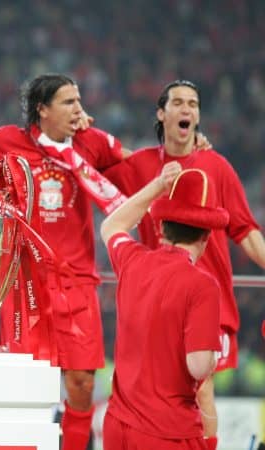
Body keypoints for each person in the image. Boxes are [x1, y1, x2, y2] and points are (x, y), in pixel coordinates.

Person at [104, 79, 265, 449]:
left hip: (208, 300)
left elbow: (245, 230)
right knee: (166, 386)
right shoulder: (141, 163)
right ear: (161, 113)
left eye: (193, 103)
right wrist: (82, 125)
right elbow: (95, 168)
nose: (187, 109)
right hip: (159, 301)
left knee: (201, 388)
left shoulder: (216, 165)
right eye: (177, 102)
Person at [0, 74, 129, 450]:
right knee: (24, 384)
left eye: (79, 101)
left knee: (82, 384)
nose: (78, 109)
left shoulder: (90, 143)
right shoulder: (4, 141)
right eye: (68, 102)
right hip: (26, 283)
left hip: (76, 283)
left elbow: (124, 160)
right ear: (42, 110)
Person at [100, 165, 226, 449]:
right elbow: (198, 367)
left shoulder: (132, 260)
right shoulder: (203, 285)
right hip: (169, 432)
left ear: (161, 226)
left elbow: (111, 226)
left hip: (117, 426)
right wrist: (213, 359)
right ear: (206, 237)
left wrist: (157, 186)